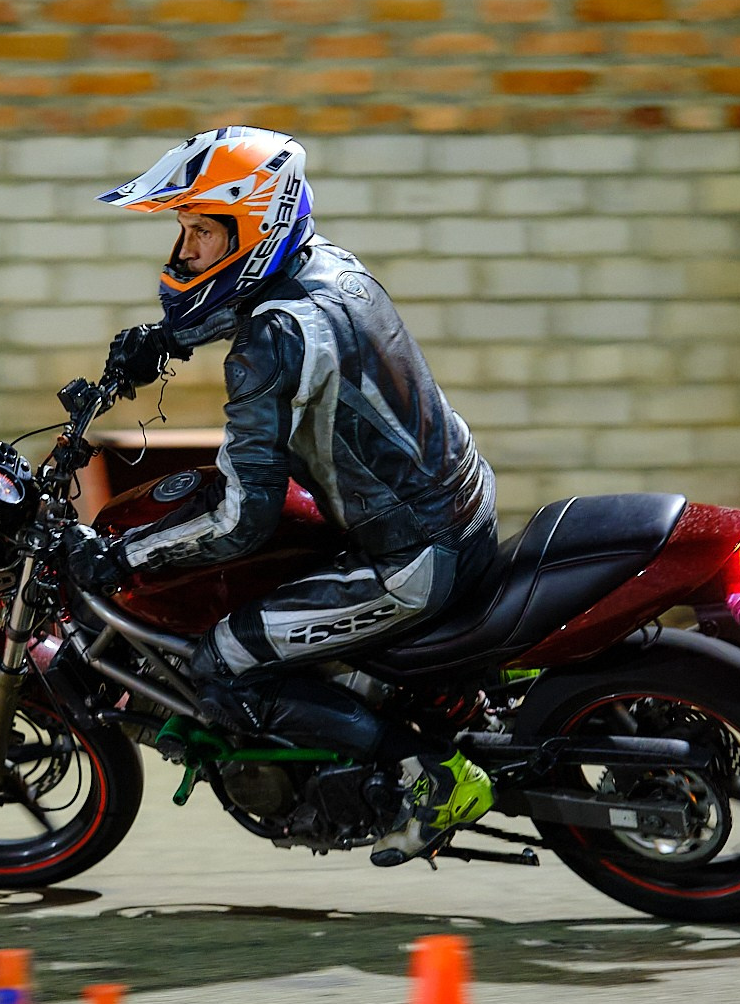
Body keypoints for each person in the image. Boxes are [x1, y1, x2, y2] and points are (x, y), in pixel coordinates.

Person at [65, 126, 500, 865]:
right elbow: (270, 308)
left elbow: (242, 519)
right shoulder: (329, 264)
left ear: (254, 227)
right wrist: (164, 341)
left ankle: (432, 774)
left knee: (220, 662)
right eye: (184, 231)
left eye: (203, 232)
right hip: (458, 507)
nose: (184, 253)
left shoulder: (268, 345)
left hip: (413, 559)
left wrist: (123, 557)